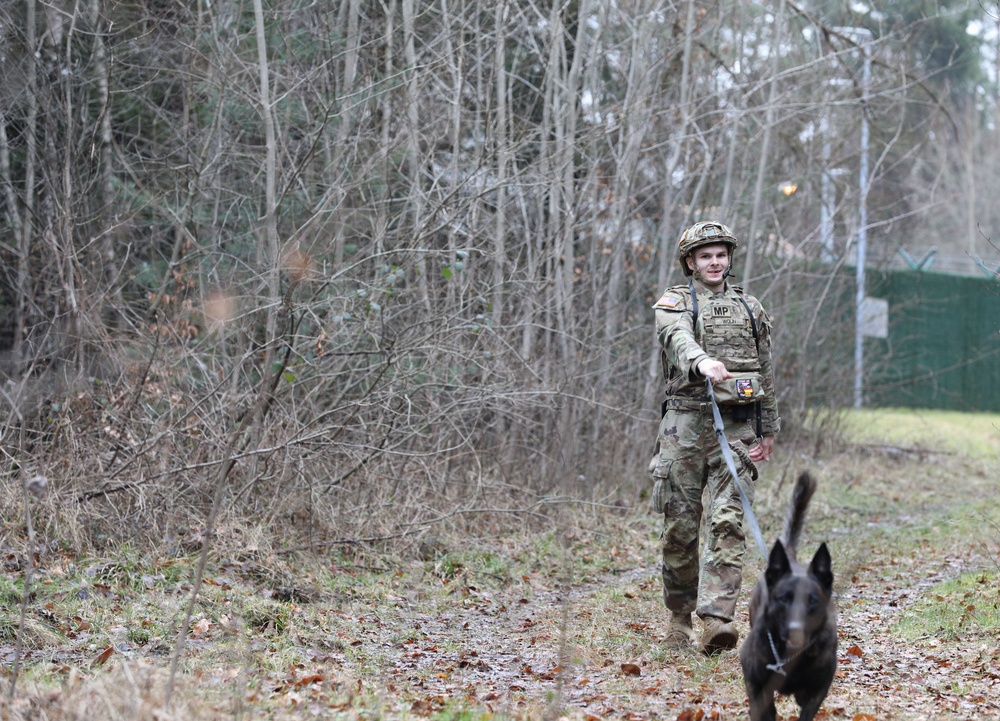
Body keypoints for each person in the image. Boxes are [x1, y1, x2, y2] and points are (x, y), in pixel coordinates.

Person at [649, 221, 780, 655]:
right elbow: (676, 337)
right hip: (684, 426)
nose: (715, 262)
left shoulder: (750, 307)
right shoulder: (676, 302)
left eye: (721, 254)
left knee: (728, 523)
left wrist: (768, 427)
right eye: (705, 256)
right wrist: (702, 362)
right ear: (691, 262)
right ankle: (678, 621)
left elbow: (766, 370)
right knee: (680, 528)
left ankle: (717, 621)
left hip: (737, 428)